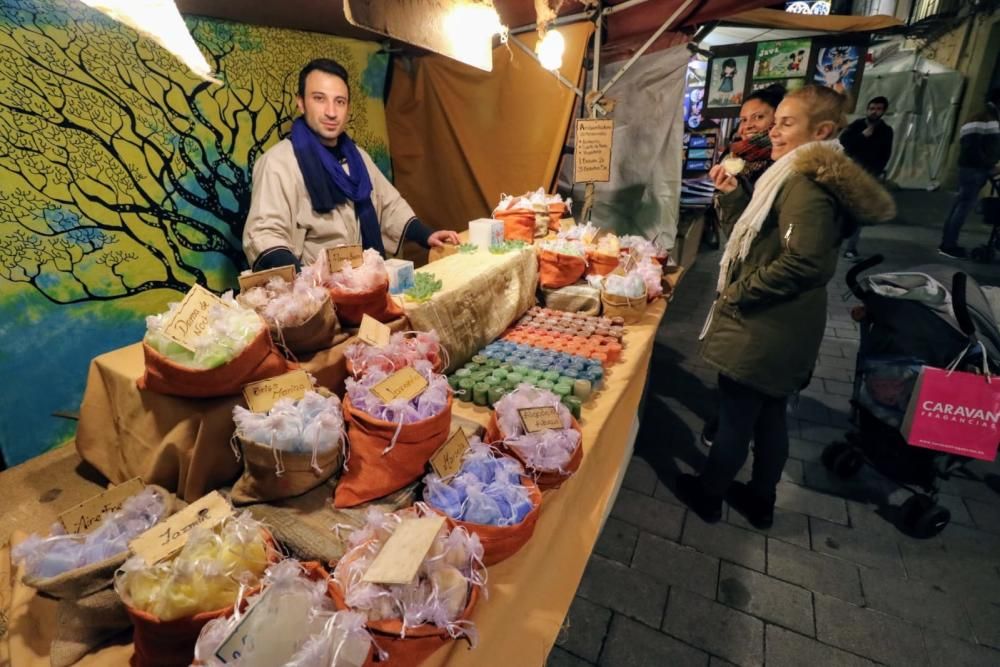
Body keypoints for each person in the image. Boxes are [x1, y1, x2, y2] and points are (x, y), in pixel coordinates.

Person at [677, 86, 895, 528]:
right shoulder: (795, 173)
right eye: (776, 122)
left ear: (823, 131)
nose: (774, 131)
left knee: (738, 416)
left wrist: (739, 292)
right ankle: (760, 500)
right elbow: (761, 237)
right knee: (770, 415)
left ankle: (709, 493)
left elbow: (804, 262)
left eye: (786, 123)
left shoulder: (805, 183)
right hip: (785, 325)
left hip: (767, 324)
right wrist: (735, 193)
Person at [243, 58, 459, 270]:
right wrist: (304, 285)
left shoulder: (358, 157)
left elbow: (389, 205)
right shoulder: (278, 163)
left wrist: (425, 235)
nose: (331, 112)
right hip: (316, 289)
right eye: (319, 99)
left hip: (364, 278)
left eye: (339, 101)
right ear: (300, 102)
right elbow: (265, 234)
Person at [701, 84, 786, 447]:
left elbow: (788, 248)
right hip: (744, 269)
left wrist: (739, 290)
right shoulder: (739, 157)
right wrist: (728, 192)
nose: (750, 125)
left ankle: (730, 439)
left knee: (748, 365)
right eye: (745, 119)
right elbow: (735, 223)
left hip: (761, 278)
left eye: (760, 117)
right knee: (740, 368)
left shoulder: (785, 167)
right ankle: (734, 425)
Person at [939, 87, 1000, 259]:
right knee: (963, 206)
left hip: (975, 169)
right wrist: (989, 166)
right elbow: (970, 147)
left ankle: (948, 243)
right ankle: (948, 245)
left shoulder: (990, 117)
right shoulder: (982, 118)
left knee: (960, 205)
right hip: (973, 170)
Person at [839, 95, 894, 260]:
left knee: (859, 212)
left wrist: (875, 173)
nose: (874, 112)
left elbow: (885, 154)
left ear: (883, 111)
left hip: (869, 174)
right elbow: (844, 144)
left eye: (878, 109)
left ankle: (851, 247)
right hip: (849, 171)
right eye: (872, 108)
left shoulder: (885, 131)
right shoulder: (857, 126)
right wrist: (862, 136)